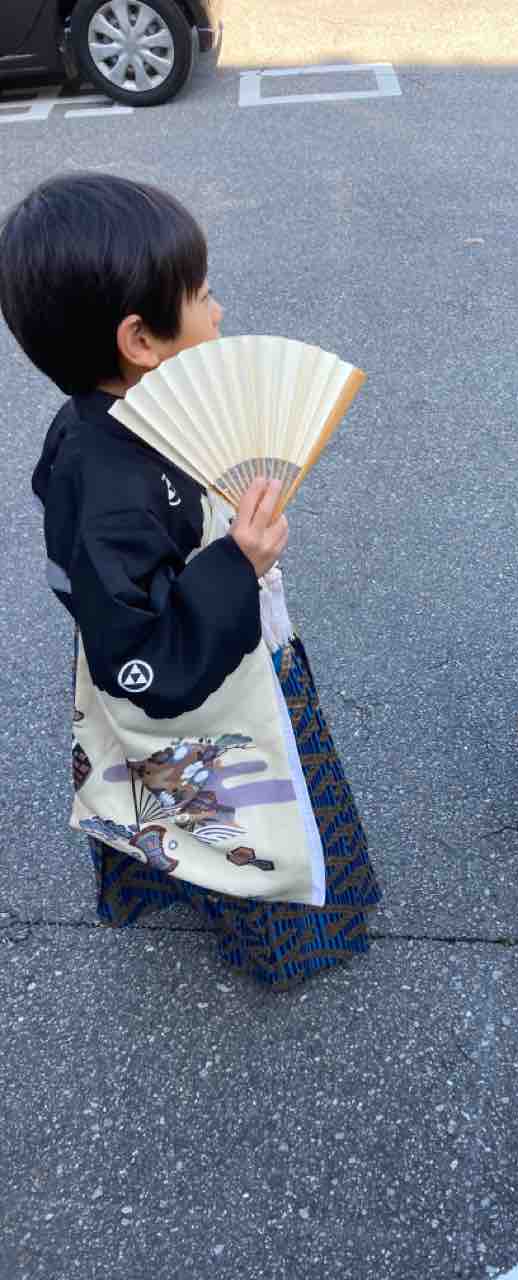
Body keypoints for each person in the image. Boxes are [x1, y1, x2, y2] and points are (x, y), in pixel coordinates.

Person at [0, 173, 379, 986]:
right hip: (198, 678)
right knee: (247, 813)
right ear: (140, 340)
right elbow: (143, 651)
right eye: (203, 295)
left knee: (165, 797)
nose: (219, 310)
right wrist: (238, 565)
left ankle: (167, 879)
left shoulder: (113, 423)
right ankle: (284, 941)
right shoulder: (106, 483)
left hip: (194, 634)